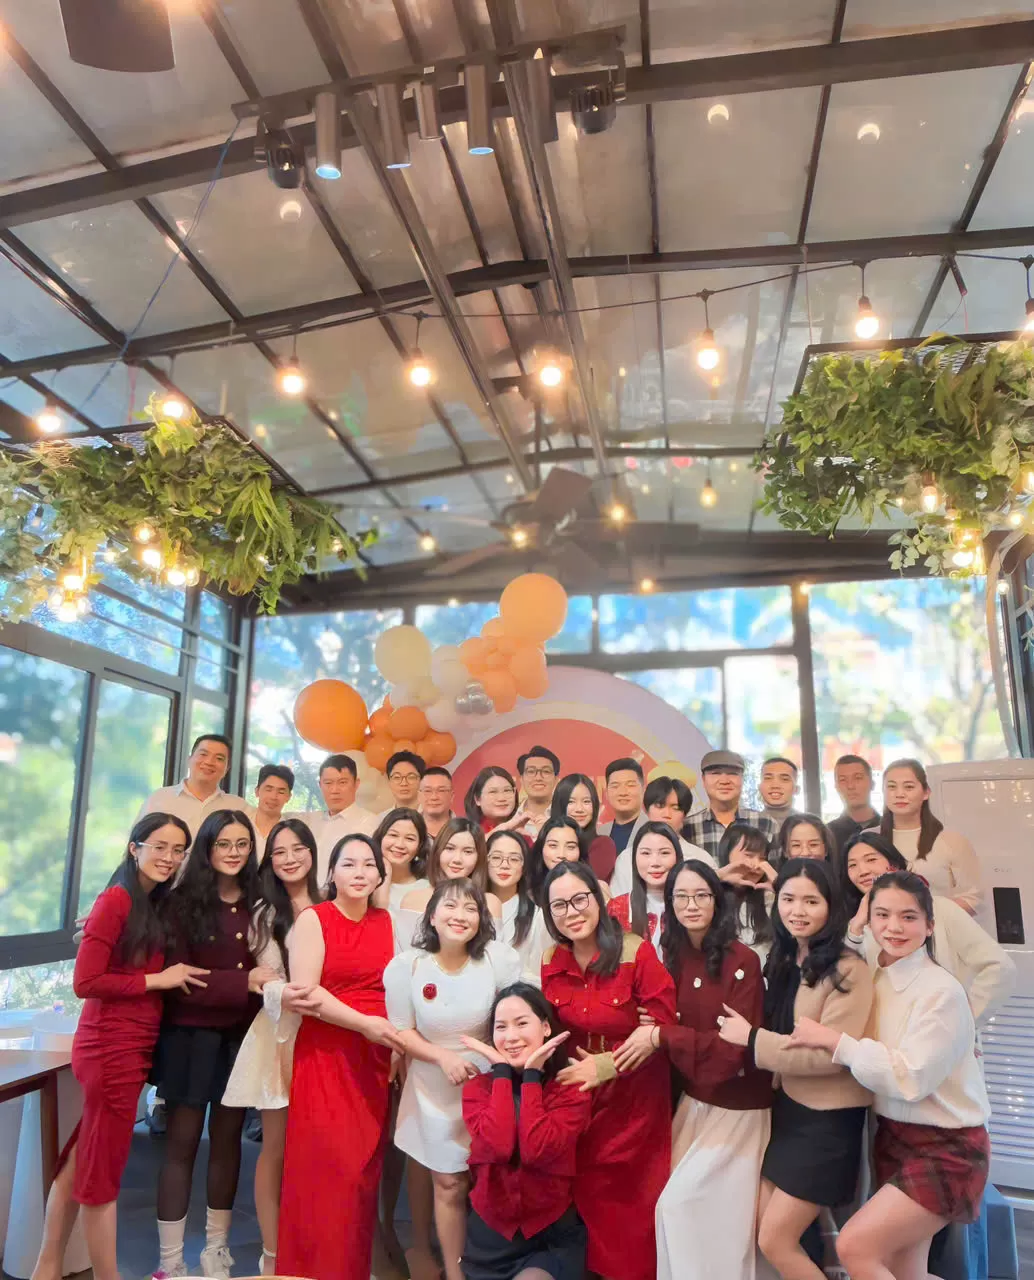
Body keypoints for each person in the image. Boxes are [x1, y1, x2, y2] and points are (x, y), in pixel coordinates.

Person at [789, 871, 992, 1280]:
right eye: (882, 915)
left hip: (948, 1148)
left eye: (908, 917)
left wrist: (836, 1042)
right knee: (904, 1271)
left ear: (930, 925)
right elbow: (844, 953)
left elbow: (910, 1077)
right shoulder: (875, 971)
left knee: (854, 1247)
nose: (894, 927)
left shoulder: (940, 991)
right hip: (894, 1137)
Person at [31, 816, 206, 1280]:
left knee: (83, 1159)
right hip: (110, 1048)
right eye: (159, 846)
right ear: (134, 848)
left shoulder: (151, 903)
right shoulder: (117, 899)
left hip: (131, 1047)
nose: (169, 858)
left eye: (178, 850)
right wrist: (157, 980)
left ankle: (46, 1267)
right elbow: (85, 982)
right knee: (101, 1175)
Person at [719, 858, 873, 1280]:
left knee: (776, 1241)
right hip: (789, 1111)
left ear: (831, 907)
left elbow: (828, 1057)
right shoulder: (787, 958)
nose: (797, 911)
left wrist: (752, 1039)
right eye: (788, 899)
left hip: (828, 1123)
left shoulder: (848, 969)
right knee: (764, 1232)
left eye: (811, 901)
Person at [152, 809, 275, 1280]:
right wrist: (243, 982)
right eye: (223, 843)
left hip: (240, 1038)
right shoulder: (181, 902)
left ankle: (216, 1250)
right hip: (189, 1037)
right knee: (181, 1145)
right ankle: (170, 1262)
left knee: (228, 1143)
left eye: (242, 844)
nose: (233, 853)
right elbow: (179, 981)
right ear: (206, 848)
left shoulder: (259, 902)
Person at [276, 834, 406, 1280]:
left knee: (361, 1179)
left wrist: (391, 1043)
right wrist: (365, 1024)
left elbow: (398, 990)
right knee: (324, 1173)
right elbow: (307, 994)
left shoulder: (387, 922)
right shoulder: (314, 919)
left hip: (373, 1061)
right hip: (326, 1057)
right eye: (348, 864)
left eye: (368, 865)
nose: (359, 873)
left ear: (380, 875)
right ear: (331, 873)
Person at [541, 862, 676, 1280]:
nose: (572, 912)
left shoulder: (635, 952)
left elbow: (662, 1027)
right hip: (580, 1102)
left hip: (635, 1102)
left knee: (633, 1210)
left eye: (580, 899)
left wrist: (606, 1065)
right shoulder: (551, 958)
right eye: (559, 905)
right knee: (587, 1201)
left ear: (597, 900)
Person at [385, 879, 522, 1280]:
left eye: (470, 908)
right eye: (449, 906)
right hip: (432, 1086)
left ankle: (488, 1266)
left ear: (481, 919)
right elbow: (402, 1031)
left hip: (487, 1086)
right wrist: (442, 1056)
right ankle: (454, 1272)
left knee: (486, 1182)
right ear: (431, 916)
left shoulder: (497, 960)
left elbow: (516, 1016)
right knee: (448, 1184)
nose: (459, 916)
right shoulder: (408, 967)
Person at [641, 860, 771, 1280]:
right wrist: (658, 1029)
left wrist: (665, 1035)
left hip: (739, 1107)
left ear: (717, 900)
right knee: (673, 1211)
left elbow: (733, 1051)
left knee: (691, 1212)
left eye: (701, 895)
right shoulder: (671, 956)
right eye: (681, 896)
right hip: (693, 1102)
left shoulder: (743, 960)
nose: (691, 905)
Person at [221, 819, 321, 1276]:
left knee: (319, 1149)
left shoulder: (332, 901)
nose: (290, 858)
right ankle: (273, 1255)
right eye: (279, 852)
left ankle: (317, 1247)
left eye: (298, 849)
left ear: (313, 853)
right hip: (281, 1033)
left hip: (329, 1034)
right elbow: (268, 979)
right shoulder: (264, 912)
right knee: (276, 1148)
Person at [459, 983, 592, 1280]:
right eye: (501, 1027)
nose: (511, 1037)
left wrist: (531, 1076)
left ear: (545, 1027)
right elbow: (499, 1146)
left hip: (550, 1235)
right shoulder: (478, 1089)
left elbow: (535, 1151)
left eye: (521, 1023)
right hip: (491, 1238)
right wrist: (502, 1073)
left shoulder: (569, 1089)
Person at [837, 831, 1015, 1028]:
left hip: (940, 1035)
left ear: (893, 863)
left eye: (871, 859)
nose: (862, 870)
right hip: (882, 1040)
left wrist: (965, 1021)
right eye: (852, 865)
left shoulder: (941, 909)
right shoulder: (856, 926)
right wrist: (856, 926)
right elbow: (845, 982)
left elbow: (999, 967)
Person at [880, 758, 983, 913]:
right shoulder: (869, 839)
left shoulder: (952, 841)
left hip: (938, 925)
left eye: (908, 787)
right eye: (891, 787)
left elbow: (974, 898)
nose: (899, 794)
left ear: (926, 792)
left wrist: (923, 914)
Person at [611, 781, 713, 897]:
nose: (667, 814)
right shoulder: (626, 859)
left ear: (685, 814)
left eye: (676, 808)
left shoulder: (701, 858)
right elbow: (618, 903)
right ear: (646, 809)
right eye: (660, 806)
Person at [137, 734, 247, 838]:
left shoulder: (238, 807)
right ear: (189, 759)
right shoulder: (160, 798)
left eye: (219, 758)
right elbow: (138, 840)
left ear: (227, 769)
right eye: (203, 754)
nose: (209, 762)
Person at [607, 821, 684, 958]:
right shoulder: (617, 909)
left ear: (678, 857)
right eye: (646, 853)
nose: (655, 863)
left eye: (664, 853)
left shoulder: (690, 907)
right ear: (634, 859)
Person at [683, 750, 779, 860]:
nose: (724, 781)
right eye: (716, 773)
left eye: (732, 773)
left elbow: (776, 867)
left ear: (742, 779)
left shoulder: (766, 823)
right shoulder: (688, 827)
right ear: (703, 780)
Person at [304, 754, 378, 883]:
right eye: (328, 783)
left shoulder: (372, 823)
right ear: (320, 785)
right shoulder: (310, 822)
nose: (334, 790)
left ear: (356, 784)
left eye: (342, 782)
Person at [486, 830, 540, 983]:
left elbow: (538, 974)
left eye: (514, 859)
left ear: (524, 866)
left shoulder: (536, 915)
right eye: (496, 857)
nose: (505, 865)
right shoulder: (470, 907)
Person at [716, 822, 776, 958]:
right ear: (727, 853)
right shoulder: (711, 891)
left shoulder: (771, 895)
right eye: (749, 855)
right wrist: (718, 876)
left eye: (762, 858)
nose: (757, 865)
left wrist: (781, 888)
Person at [550, 772, 618, 882]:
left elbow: (586, 883)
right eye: (571, 802)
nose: (579, 809)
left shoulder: (603, 845)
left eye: (586, 801)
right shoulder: (545, 844)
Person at [376, 807, 430, 909]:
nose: (400, 845)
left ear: (420, 846)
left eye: (409, 838)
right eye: (393, 835)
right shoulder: (365, 882)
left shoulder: (426, 890)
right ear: (381, 837)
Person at [828, 754, 881, 854]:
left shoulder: (889, 828)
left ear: (872, 784)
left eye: (857, 778)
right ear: (836, 787)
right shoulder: (827, 834)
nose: (850, 786)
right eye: (843, 780)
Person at [597, 757, 646, 857]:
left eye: (630, 785)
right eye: (615, 786)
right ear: (606, 793)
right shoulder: (599, 833)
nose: (623, 792)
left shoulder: (656, 831)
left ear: (643, 790)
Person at [512, 745, 561, 840]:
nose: (538, 778)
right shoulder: (510, 816)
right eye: (531, 771)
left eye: (546, 771)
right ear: (521, 779)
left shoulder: (567, 814)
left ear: (556, 779)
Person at [249, 764, 295, 848]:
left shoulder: (291, 832)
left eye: (281, 792)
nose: (273, 797)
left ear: (288, 797)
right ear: (257, 791)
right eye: (268, 790)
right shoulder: (242, 824)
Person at [464, 766, 519, 833]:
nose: (501, 798)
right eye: (493, 792)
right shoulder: (466, 833)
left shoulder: (522, 830)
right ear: (477, 799)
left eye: (507, 790)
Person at [760, 756, 799, 828]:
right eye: (768, 778)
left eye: (784, 779)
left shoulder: (809, 825)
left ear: (796, 789)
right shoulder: (747, 825)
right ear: (759, 787)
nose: (775, 786)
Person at [419, 766, 455, 840]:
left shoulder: (465, 830)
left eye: (441, 790)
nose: (434, 797)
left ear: (451, 796)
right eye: (428, 791)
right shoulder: (406, 828)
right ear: (419, 796)